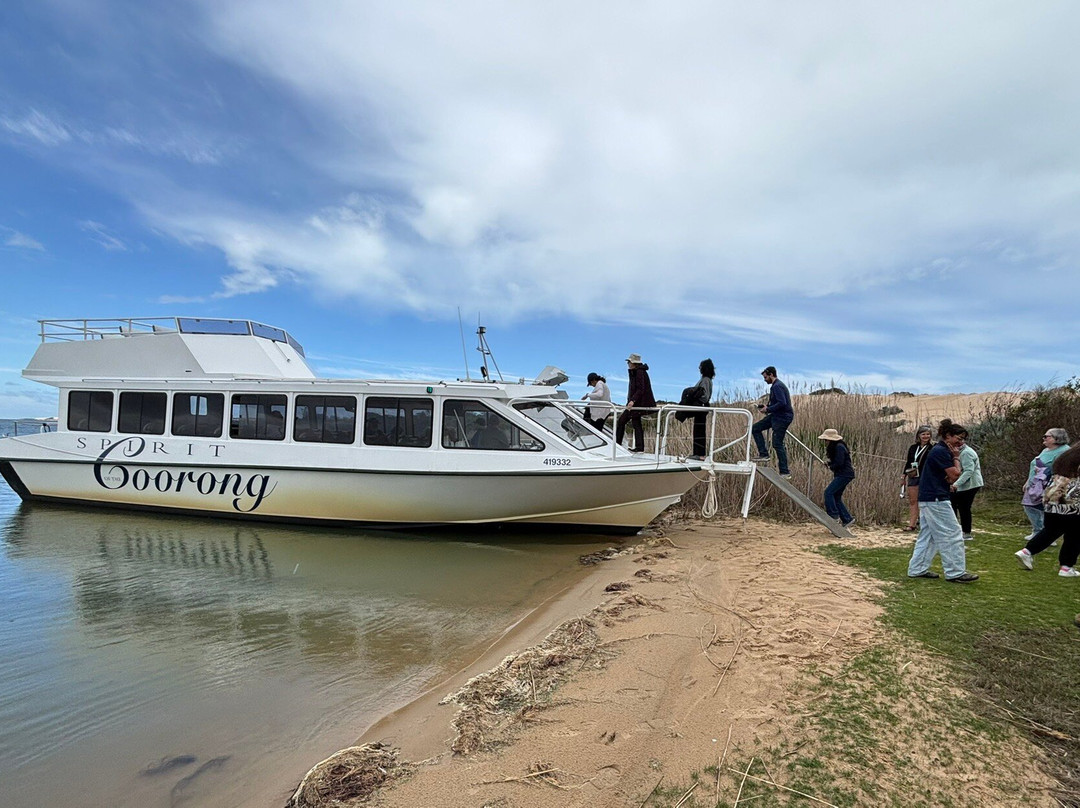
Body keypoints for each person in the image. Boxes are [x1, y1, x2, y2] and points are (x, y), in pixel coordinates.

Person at [906, 419, 979, 583]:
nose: (960, 443)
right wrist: (956, 458)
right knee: (952, 533)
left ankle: (917, 569)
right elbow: (954, 475)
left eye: (962, 439)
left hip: (930, 497)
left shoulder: (939, 450)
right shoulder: (942, 451)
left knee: (929, 535)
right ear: (947, 436)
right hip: (936, 498)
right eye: (958, 438)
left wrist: (951, 473)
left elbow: (949, 477)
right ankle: (955, 572)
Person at [1014, 443, 1080, 577]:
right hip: (1072, 500)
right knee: (1075, 534)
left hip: (1052, 496)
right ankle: (1066, 567)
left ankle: (1027, 551)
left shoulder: (1067, 456)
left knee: (1052, 530)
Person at [1021, 428, 1070, 541]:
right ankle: (1038, 530)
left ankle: (1047, 534)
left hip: (1049, 485)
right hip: (1035, 484)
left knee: (1047, 509)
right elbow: (1035, 466)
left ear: (1056, 439)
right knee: (1029, 506)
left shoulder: (1064, 451)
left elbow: (1062, 470)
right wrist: (1028, 481)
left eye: (1046, 436)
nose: (1044, 438)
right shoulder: (1046, 450)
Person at [751, 366, 793, 476]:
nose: (764, 380)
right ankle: (763, 453)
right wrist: (767, 407)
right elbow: (778, 403)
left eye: (765, 377)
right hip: (776, 416)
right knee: (755, 428)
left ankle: (785, 471)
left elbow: (782, 403)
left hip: (782, 417)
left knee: (777, 443)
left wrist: (768, 409)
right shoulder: (776, 386)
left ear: (771, 375)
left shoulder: (777, 386)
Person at [615, 353, 655, 453]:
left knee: (622, 421)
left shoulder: (639, 372)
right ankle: (639, 447)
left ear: (633, 363)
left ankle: (618, 445)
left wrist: (632, 400)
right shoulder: (637, 372)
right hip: (637, 403)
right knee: (636, 423)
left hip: (638, 403)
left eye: (629, 362)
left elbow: (640, 389)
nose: (628, 363)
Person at [819, 428, 855, 528]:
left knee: (828, 492)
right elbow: (838, 461)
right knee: (836, 497)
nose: (825, 442)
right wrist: (830, 463)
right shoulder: (839, 446)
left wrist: (831, 466)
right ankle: (847, 519)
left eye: (826, 440)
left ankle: (833, 515)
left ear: (830, 440)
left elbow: (840, 462)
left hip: (844, 474)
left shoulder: (839, 447)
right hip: (843, 474)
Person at [949, 433, 983, 540]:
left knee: (964, 508)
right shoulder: (958, 452)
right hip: (963, 484)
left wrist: (956, 484)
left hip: (971, 484)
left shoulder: (966, 453)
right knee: (953, 504)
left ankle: (966, 532)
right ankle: (955, 529)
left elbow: (968, 471)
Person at [902, 426, 934, 531]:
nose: (926, 436)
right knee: (913, 500)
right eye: (923, 434)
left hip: (927, 477)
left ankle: (926, 523)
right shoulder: (913, 448)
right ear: (918, 436)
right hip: (913, 476)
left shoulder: (933, 447)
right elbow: (908, 462)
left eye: (928, 434)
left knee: (926, 501)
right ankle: (912, 524)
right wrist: (903, 475)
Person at [690, 359, 715, 459]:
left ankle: (699, 454)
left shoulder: (705, 380)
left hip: (701, 408)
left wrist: (695, 396)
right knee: (699, 429)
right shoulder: (708, 380)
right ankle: (698, 453)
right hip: (702, 408)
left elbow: (705, 396)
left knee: (699, 430)